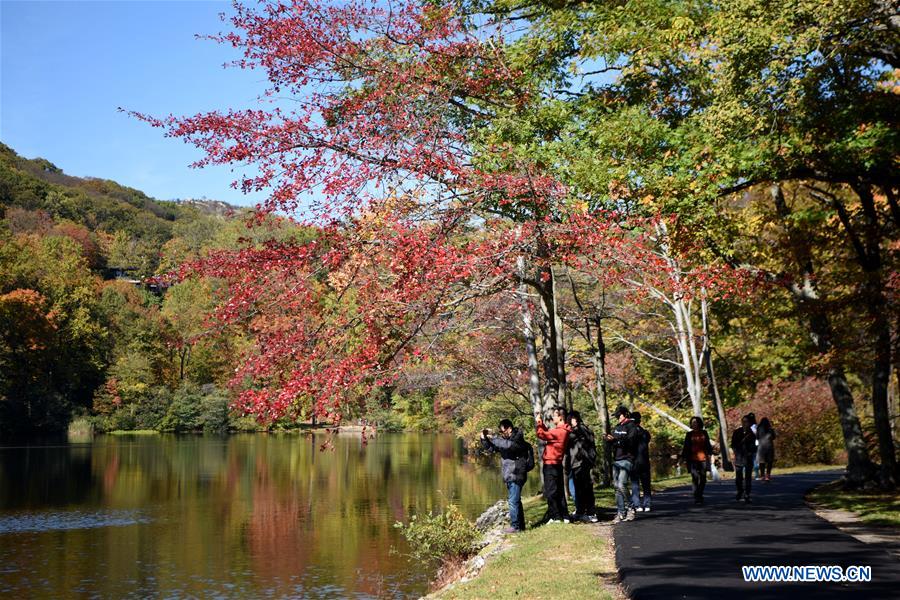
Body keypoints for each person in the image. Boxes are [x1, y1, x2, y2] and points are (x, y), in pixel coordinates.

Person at [481, 419, 532, 532]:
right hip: (510, 475)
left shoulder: (518, 440)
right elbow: (491, 448)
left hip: (516, 474)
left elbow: (507, 445)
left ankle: (515, 526)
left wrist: (493, 437)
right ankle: (521, 527)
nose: (501, 433)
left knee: (513, 501)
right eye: (500, 432)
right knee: (516, 501)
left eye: (502, 431)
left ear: (509, 429)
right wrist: (484, 438)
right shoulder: (505, 440)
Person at [536, 407, 571, 523]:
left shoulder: (560, 431)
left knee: (551, 491)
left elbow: (541, 435)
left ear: (560, 417)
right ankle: (564, 515)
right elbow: (548, 434)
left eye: (555, 415)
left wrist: (539, 422)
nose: (553, 417)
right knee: (559, 490)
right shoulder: (562, 430)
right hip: (556, 464)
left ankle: (555, 516)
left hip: (551, 464)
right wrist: (543, 425)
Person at [605, 406, 638, 522]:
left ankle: (631, 507)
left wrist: (616, 440)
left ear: (625, 414)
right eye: (616, 416)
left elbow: (630, 443)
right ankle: (621, 512)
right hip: (617, 459)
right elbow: (614, 443)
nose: (617, 418)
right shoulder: (617, 427)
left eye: (619, 416)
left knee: (621, 485)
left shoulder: (632, 427)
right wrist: (609, 440)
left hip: (627, 459)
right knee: (616, 488)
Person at [567, 411, 598, 522]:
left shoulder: (579, 431)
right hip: (581, 462)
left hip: (580, 462)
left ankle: (590, 513)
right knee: (581, 488)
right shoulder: (586, 430)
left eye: (570, 419)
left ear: (574, 419)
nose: (569, 422)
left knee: (584, 488)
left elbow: (580, 448)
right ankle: (581, 511)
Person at [681, 416, 713, 505]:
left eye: (695, 422)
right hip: (692, 459)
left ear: (699, 423)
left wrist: (711, 455)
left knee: (703, 479)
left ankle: (699, 494)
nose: (694, 424)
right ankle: (697, 497)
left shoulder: (704, 433)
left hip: (703, 459)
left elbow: (708, 445)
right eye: (692, 422)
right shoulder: (689, 434)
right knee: (695, 477)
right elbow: (686, 447)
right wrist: (683, 459)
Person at [731, 415, 757, 503]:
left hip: (748, 458)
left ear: (749, 423)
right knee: (738, 477)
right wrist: (735, 452)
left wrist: (751, 452)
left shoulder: (752, 433)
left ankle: (747, 494)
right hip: (739, 457)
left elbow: (754, 446)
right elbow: (733, 444)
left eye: (746, 421)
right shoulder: (737, 432)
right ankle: (740, 490)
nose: (744, 423)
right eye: (743, 421)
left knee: (748, 477)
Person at [630, 412, 652, 512]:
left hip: (636, 462)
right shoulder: (645, 433)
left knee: (636, 484)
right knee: (645, 484)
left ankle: (637, 504)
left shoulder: (635, 433)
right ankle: (646, 504)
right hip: (643, 462)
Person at [748, 412, 760, 480]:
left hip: (751, 445)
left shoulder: (747, 426)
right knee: (755, 460)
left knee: (751, 460)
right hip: (755, 444)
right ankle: (756, 475)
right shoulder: (756, 426)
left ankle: (753, 475)